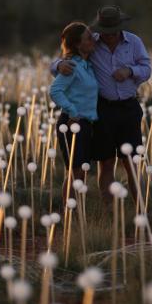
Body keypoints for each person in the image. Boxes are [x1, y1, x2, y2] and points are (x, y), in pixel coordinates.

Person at [51, 5, 151, 203]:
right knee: (105, 162)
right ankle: (109, 212)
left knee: (133, 162)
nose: (110, 36)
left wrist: (130, 71)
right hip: (102, 110)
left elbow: (146, 68)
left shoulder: (134, 42)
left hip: (129, 108)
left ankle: (142, 210)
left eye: (113, 31)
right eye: (106, 32)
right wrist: (57, 65)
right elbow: (66, 58)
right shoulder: (92, 42)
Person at [50, 22, 98, 201]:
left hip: (85, 123)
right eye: (88, 38)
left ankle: (75, 212)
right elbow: (54, 90)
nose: (93, 40)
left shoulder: (87, 65)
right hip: (72, 123)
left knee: (80, 171)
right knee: (75, 172)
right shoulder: (72, 66)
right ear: (78, 44)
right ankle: (68, 213)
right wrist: (72, 111)